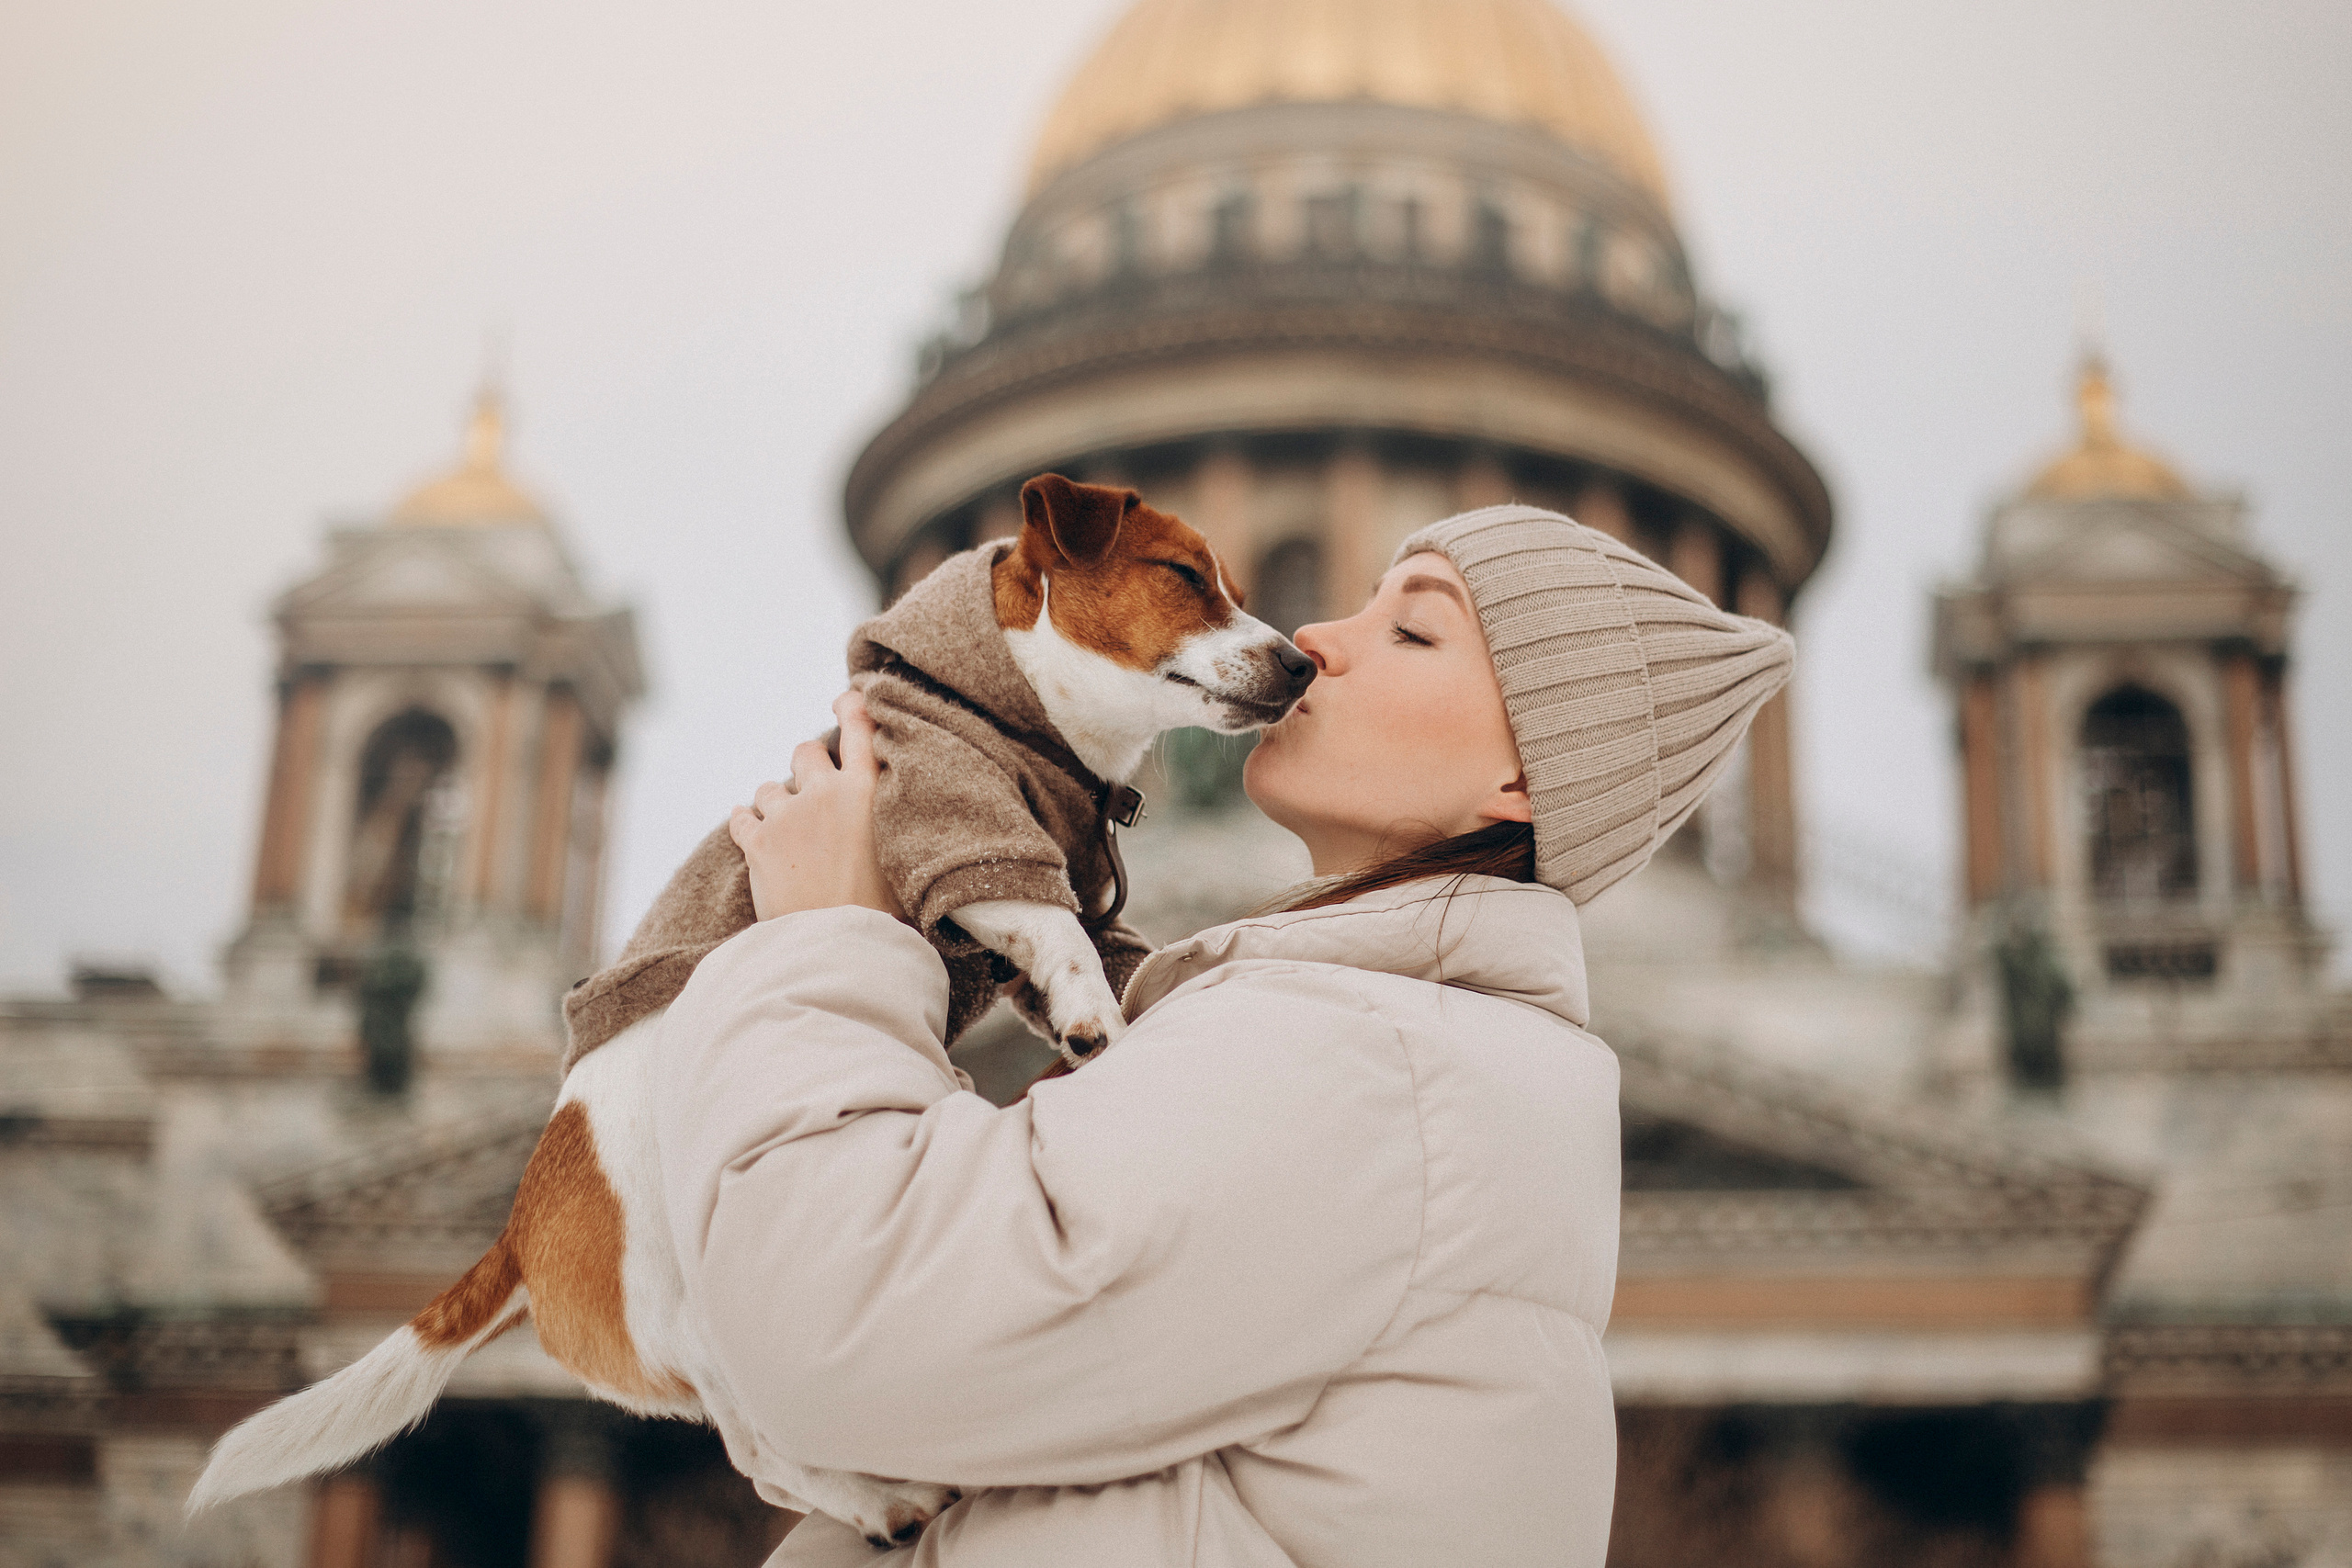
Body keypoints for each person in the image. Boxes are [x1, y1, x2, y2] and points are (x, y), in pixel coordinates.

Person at [655, 504, 1794, 1566]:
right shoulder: (1436, 1069)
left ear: (1524, 777)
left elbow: (839, 1340)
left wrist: (827, 940)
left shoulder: (1355, 1063)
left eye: (1410, 631)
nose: (1312, 634)